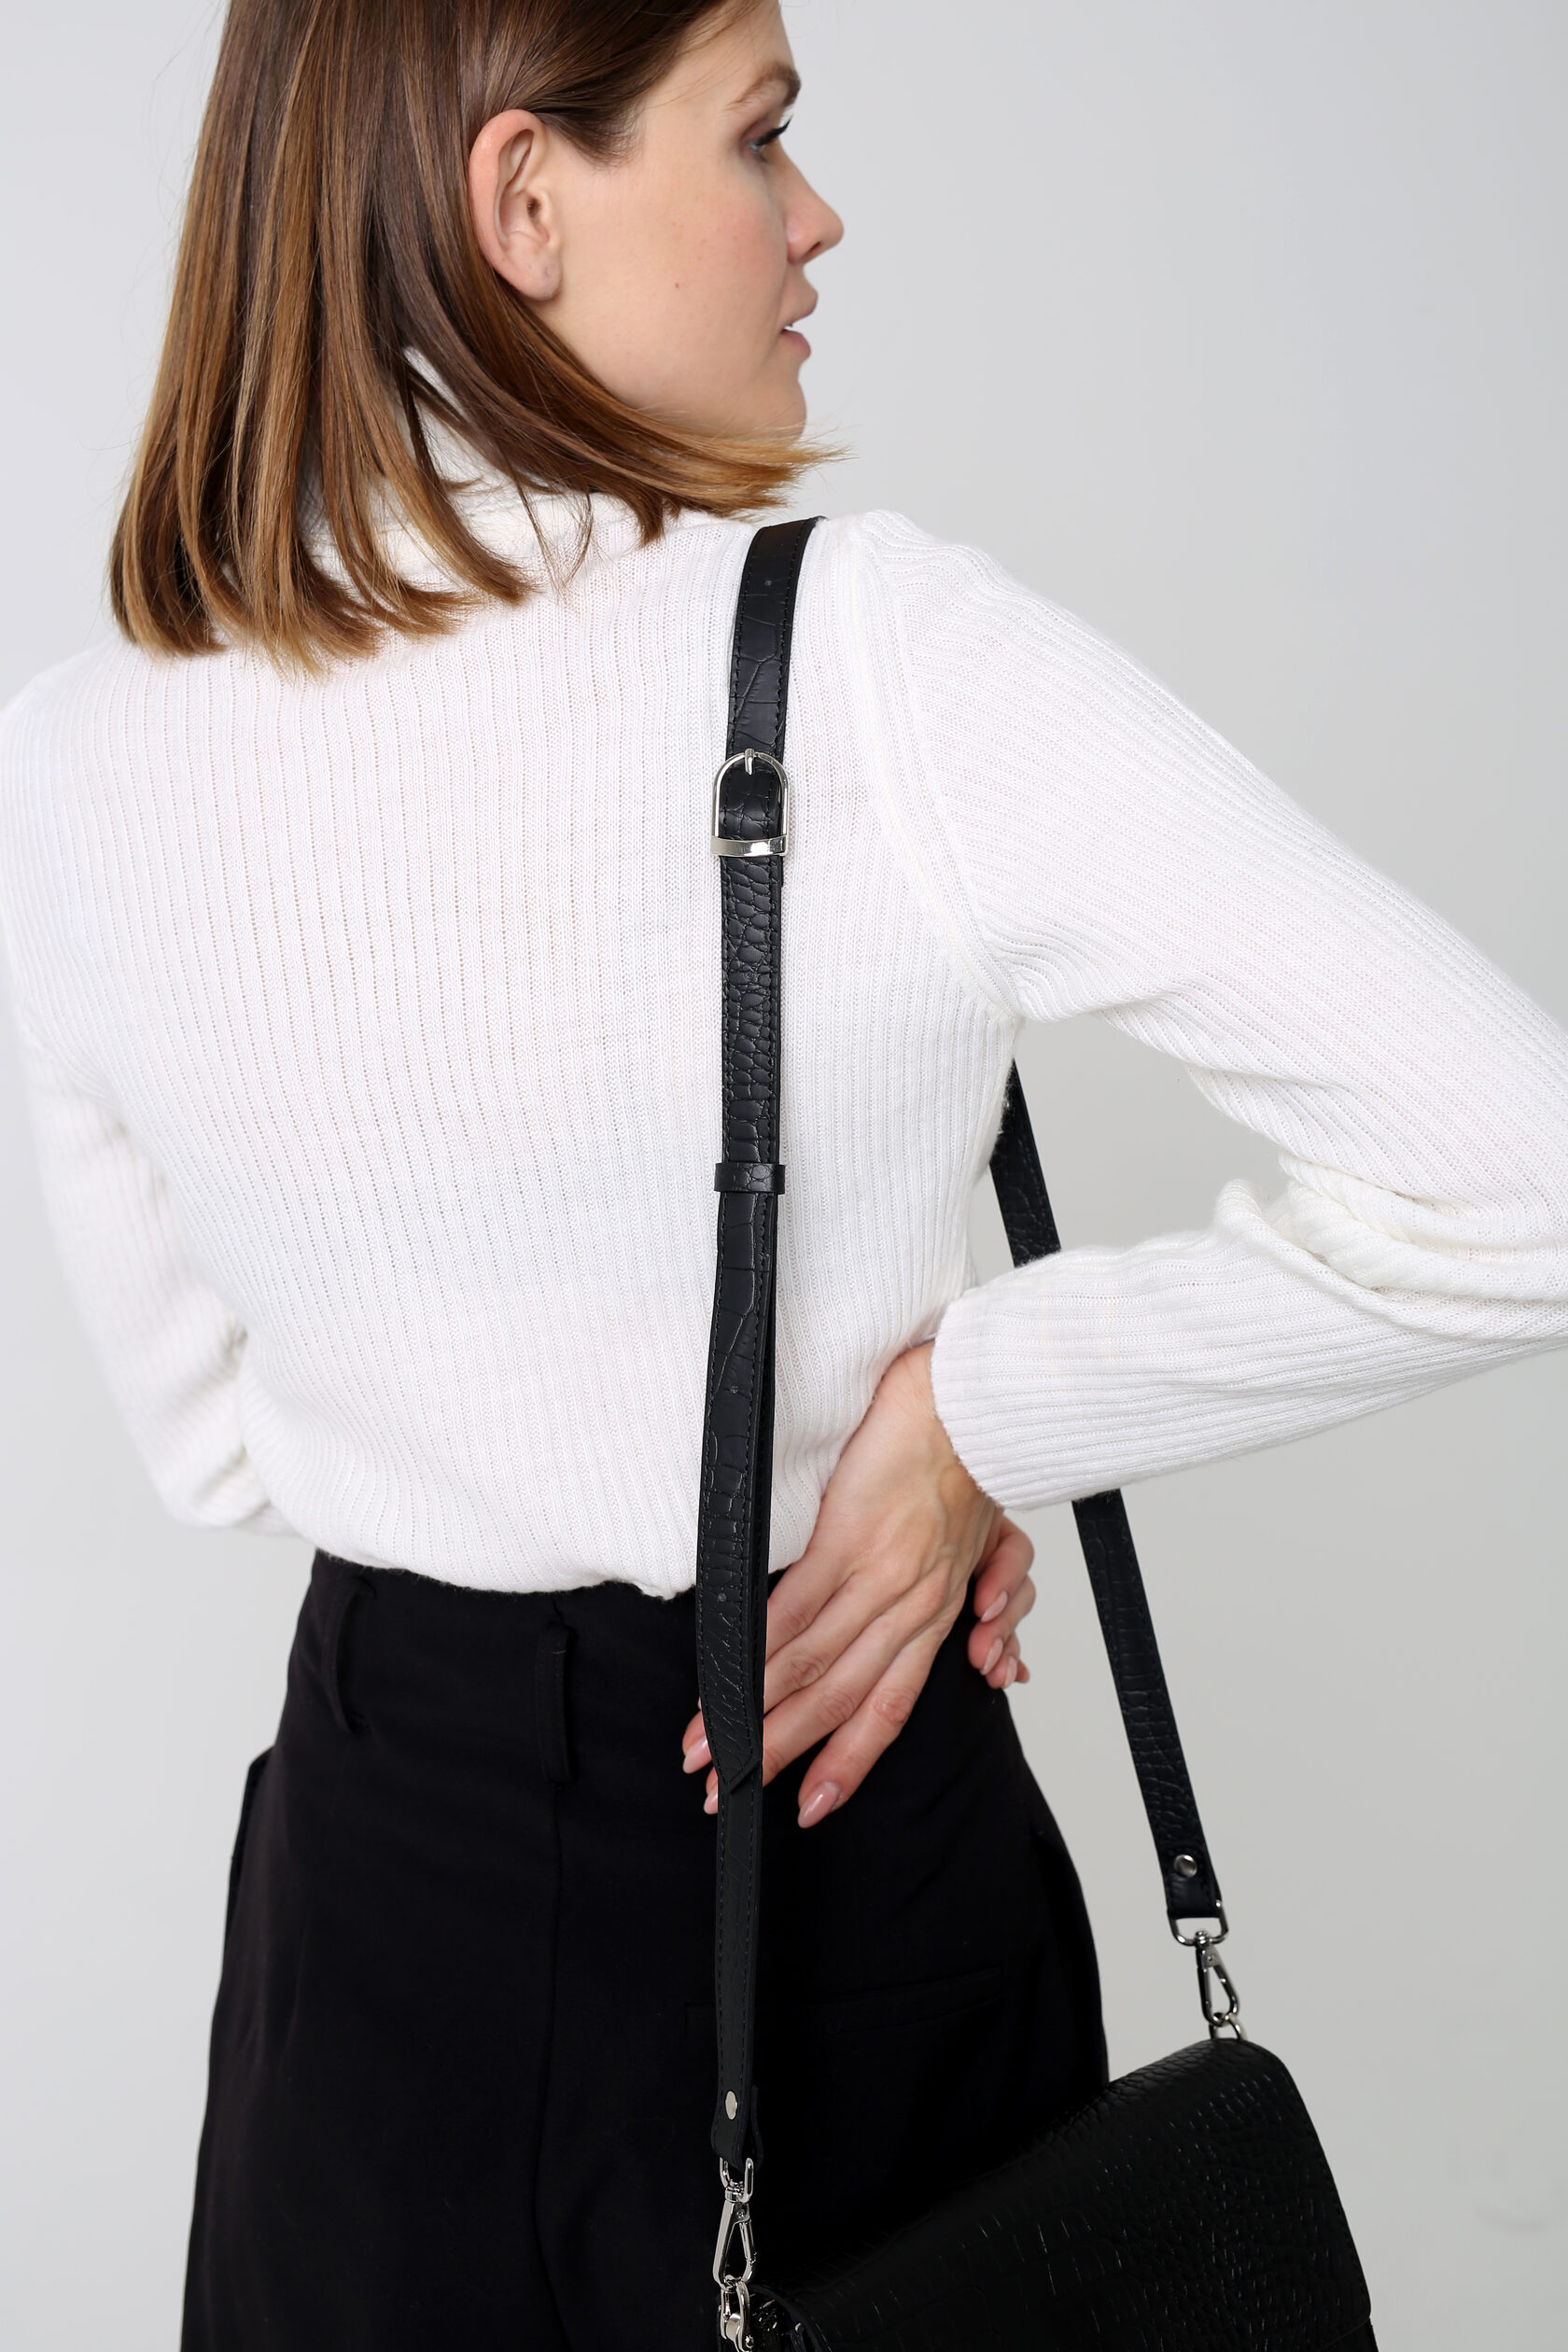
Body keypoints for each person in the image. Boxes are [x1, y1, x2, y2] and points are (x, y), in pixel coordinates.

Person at [1, 0, 1564, 2343]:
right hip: (834, 1828)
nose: (816, 217)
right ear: (523, 200)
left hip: (374, 1914)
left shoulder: (76, 758)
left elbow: (208, 1441)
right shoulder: (878, 663)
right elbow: (1529, 1178)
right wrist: (968, 1422)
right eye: (761, 136)